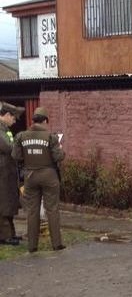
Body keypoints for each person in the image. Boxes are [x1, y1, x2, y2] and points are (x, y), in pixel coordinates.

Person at [12, 107, 65, 253]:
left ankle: (32, 246)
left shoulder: (21, 136)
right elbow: (58, 157)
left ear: (33, 120)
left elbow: (15, 156)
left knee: (32, 211)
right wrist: (61, 149)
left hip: (30, 176)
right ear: (45, 120)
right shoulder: (50, 137)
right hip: (49, 175)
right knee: (52, 209)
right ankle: (57, 244)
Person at [0, 102, 25, 246]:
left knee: (8, 203)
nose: (15, 121)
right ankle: (5, 236)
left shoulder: (4, 130)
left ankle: (10, 233)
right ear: (7, 115)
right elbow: (8, 147)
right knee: (3, 204)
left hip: (7, 172)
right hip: (2, 173)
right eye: (14, 118)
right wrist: (19, 141)